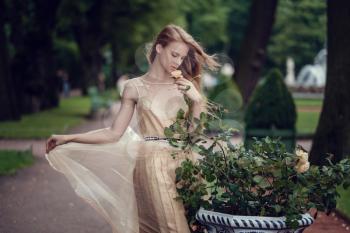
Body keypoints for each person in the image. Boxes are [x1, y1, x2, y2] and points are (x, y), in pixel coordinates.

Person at [45, 24, 219, 233]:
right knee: (173, 228)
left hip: (187, 164)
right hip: (152, 163)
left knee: (195, 226)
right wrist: (68, 138)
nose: (177, 62)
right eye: (174, 54)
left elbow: (194, 136)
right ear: (159, 48)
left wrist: (198, 101)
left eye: (181, 58)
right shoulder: (134, 87)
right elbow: (113, 133)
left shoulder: (185, 86)